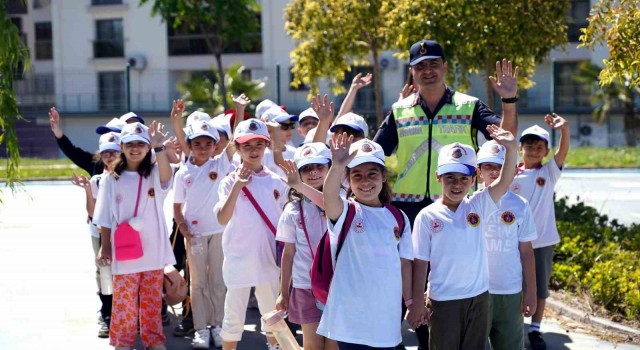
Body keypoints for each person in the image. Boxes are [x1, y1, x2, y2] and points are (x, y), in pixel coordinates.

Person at [373, 40, 519, 349]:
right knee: (405, 286)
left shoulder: (469, 105)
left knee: (448, 288)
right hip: (409, 209)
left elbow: (502, 139)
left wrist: (509, 101)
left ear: (445, 67)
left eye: (433, 63)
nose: (427, 70)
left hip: (458, 208)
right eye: (420, 66)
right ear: (411, 72)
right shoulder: (400, 111)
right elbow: (376, 154)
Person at [408, 125, 517, 350]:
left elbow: (504, 179)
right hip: (443, 300)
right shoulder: (427, 216)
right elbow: (420, 262)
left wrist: (511, 147)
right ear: (438, 177)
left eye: (463, 178)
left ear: (474, 177)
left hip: (478, 298)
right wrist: (417, 300)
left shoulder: (479, 204)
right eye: (450, 177)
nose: (457, 184)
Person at [317, 136, 413, 349]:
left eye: (372, 174)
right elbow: (329, 196)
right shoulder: (345, 211)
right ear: (348, 180)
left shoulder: (398, 217)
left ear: (384, 176)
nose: (365, 182)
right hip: (351, 322)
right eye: (357, 175)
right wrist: (337, 165)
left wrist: (411, 302)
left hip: (386, 321)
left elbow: (405, 264)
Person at [93, 121, 176, 350]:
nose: (135, 149)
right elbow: (105, 216)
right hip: (125, 248)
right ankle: (123, 341)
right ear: (121, 146)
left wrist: (160, 148)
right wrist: (105, 246)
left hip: (153, 247)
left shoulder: (154, 173)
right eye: (130, 144)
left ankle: (153, 340)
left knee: (151, 299)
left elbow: (167, 176)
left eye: (141, 144)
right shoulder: (111, 179)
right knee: (124, 300)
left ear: (148, 147)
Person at [214, 119, 287, 350]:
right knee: (233, 314)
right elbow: (222, 219)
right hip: (238, 257)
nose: (254, 150)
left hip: (268, 258)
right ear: (237, 147)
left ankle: (274, 347)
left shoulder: (277, 181)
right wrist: (237, 185)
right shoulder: (228, 182)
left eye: (259, 144)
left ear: (266, 145)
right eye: (247, 145)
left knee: (272, 315)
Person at [510, 114, 570, 350]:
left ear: (546, 151)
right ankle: (513, 327)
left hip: (542, 242)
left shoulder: (549, 172)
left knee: (540, 288)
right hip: (512, 242)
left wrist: (564, 130)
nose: (533, 150)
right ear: (520, 148)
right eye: (529, 146)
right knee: (514, 286)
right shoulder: (511, 173)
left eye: (539, 147)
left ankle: (535, 330)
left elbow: (563, 151)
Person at [173, 119, 233, 349]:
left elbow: (235, 143)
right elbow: (177, 208)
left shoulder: (220, 165)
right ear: (190, 144)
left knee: (217, 281)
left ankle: (217, 326)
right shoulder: (183, 173)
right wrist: (184, 228)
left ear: (215, 146)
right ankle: (200, 329)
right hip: (195, 235)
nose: (203, 148)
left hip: (218, 231)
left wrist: (237, 111)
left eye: (208, 144)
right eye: (197, 143)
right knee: (197, 283)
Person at [275, 143, 338, 350]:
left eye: (319, 167)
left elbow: (329, 206)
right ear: (298, 175)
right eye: (306, 168)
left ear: (330, 168)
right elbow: (288, 253)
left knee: (334, 342)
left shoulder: (342, 201)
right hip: (304, 285)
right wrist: (284, 292)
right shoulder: (292, 210)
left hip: (338, 284)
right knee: (311, 344)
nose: (313, 172)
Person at [476, 140, 537, 350]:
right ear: (479, 171)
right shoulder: (470, 203)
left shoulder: (520, 205)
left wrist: (531, 292)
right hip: (476, 292)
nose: (495, 172)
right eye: (489, 166)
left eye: (501, 166)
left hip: (510, 291)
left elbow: (527, 253)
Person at [70, 131, 122, 338]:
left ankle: (126, 314)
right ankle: (107, 314)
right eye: (106, 153)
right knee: (104, 273)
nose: (110, 157)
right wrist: (85, 189)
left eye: (114, 152)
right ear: (100, 156)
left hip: (125, 233)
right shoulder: (97, 180)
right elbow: (92, 213)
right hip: (99, 232)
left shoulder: (129, 177)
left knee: (126, 272)